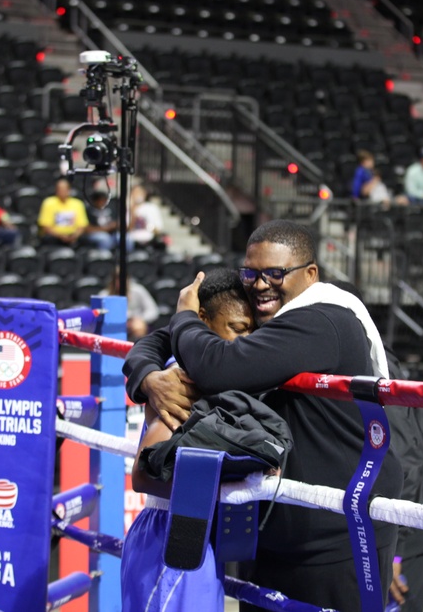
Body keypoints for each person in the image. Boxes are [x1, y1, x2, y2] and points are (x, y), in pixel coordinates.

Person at [124, 219, 402, 611]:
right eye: (251, 273)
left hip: (334, 535)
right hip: (268, 527)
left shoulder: (322, 319)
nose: (259, 284)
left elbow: (219, 366)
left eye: (275, 272)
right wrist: (148, 376)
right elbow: (161, 339)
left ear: (309, 274)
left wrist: (185, 316)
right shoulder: (268, 319)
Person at [122, 268, 257, 612]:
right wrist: (235, 485)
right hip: (172, 536)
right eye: (237, 329)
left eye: (251, 333)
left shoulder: (213, 377)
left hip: (191, 532)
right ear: (201, 320)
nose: (243, 343)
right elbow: (145, 473)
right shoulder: (182, 378)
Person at [327, 281, 423, 612]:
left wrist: (396, 552)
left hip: (412, 538)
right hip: (392, 531)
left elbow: (405, 459)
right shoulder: (350, 360)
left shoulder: (373, 365)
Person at [37, 177, 89, 247]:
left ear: (69, 190)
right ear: (56, 190)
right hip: (55, 236)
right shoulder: (48, 202)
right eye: (60, 189)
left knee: (85, 240)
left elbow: (82, 225)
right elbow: (45, 226)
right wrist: (61, 236)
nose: (62, 192)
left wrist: (75, 236)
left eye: (64, 189)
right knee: (48, 239)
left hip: (73, 235)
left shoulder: (78, 203)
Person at [83, 186, 122, 250]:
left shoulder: (111, 209)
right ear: (95, 201)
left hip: (112, 233)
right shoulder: (89, 211)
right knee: (104, 238)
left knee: (125, 238)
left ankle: (128, 257)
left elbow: (118, 223)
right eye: (100, 200)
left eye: (104, 199)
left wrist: (115, 225)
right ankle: (105, 258)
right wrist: (105, 228)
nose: (102, 202)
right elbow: (87, 229)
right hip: (97, 234)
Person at [129, 183, 166, 249]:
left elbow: (158, 229)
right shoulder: (128, 208)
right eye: (134, 193)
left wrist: (148, 226)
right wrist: (133, 211)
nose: (136, 195)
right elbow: (127, 228)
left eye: (139, 192)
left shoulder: (151, 208)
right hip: (130, 240)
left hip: (148, 240)